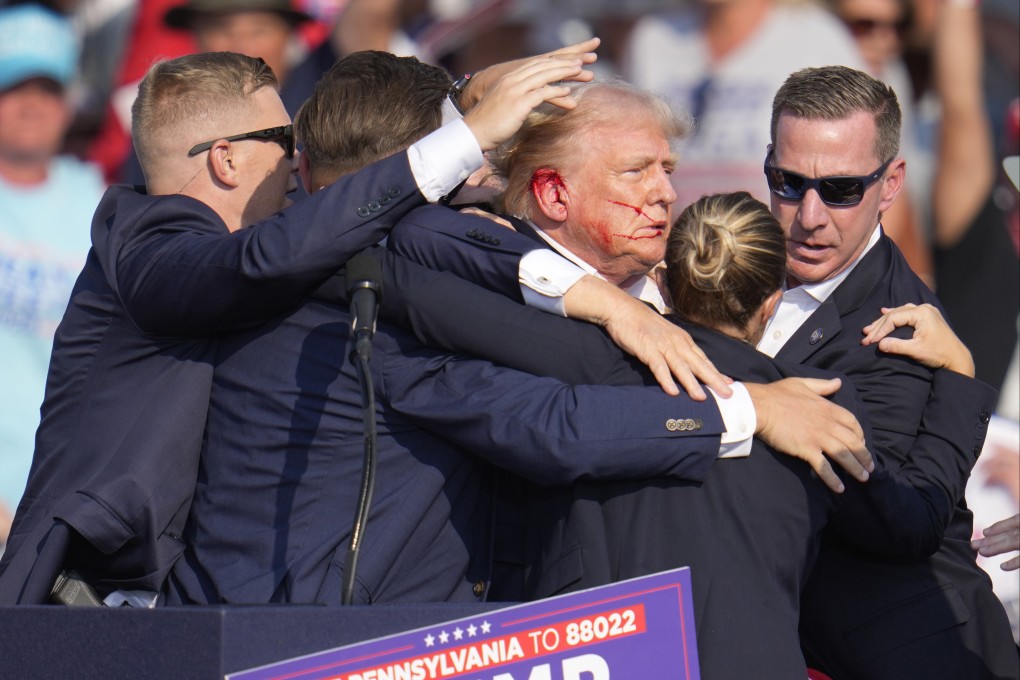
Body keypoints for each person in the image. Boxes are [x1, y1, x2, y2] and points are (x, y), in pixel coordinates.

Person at [163, 51, 759, 607]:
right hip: (332, 639)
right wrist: (750, 411)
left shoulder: (236, 270)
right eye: (636, 170)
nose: (665, 192)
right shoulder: (384, 297)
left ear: (304, 166)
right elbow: (553, 426)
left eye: (667, 169)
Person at [0, 46, 591, 606]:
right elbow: (273, 256)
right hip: (88, 608)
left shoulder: (252, 254)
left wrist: (455, 103)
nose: (296, 154)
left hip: (186, 605)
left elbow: (325, 231)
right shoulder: (148, 246)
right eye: (283, 138)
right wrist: (463, 137)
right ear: (225, 157)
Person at [759, 65, 1018, 679]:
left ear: (892, 181)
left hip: (908, 655)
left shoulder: (903, 334)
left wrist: (746, 398)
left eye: (843, 189)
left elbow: (901, 520)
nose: (811, 215)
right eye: (788, 183)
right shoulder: (728, 263)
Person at [0, 3, 106, 551]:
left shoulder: (99, 203)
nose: (31, 106)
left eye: (47, 89)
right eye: (13, 88)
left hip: (59, 515)